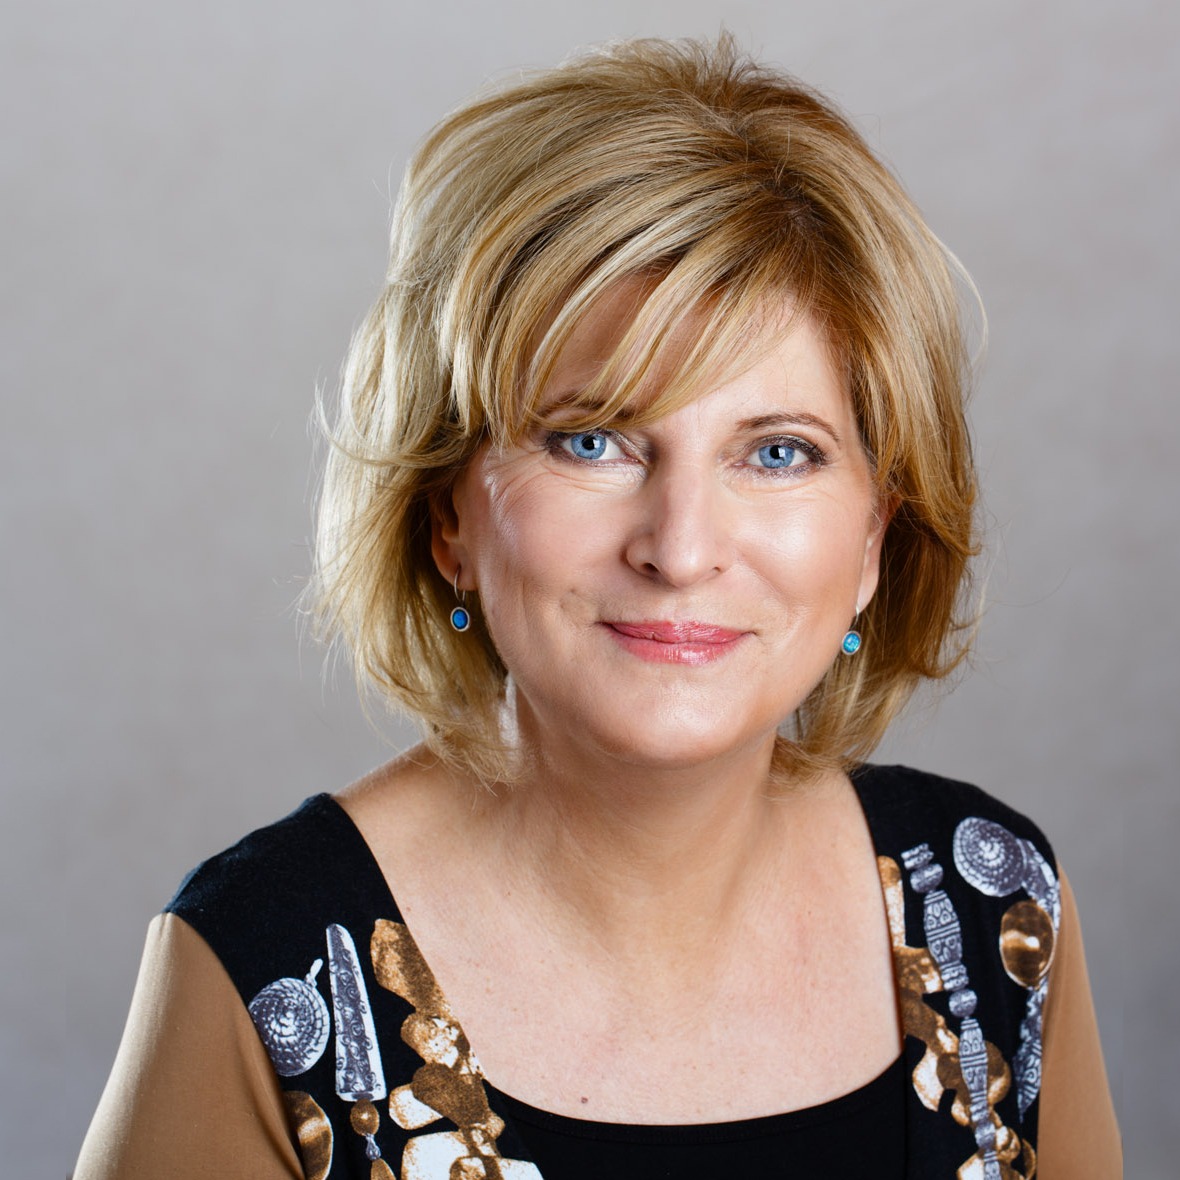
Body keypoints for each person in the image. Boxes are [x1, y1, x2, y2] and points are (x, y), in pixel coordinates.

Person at [75, 36, 1120, 1180]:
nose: (680, 548)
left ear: (875, 535)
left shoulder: (996, 906)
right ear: (447, 511)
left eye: (777, 451)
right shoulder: (258, 963)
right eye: (592, 441)